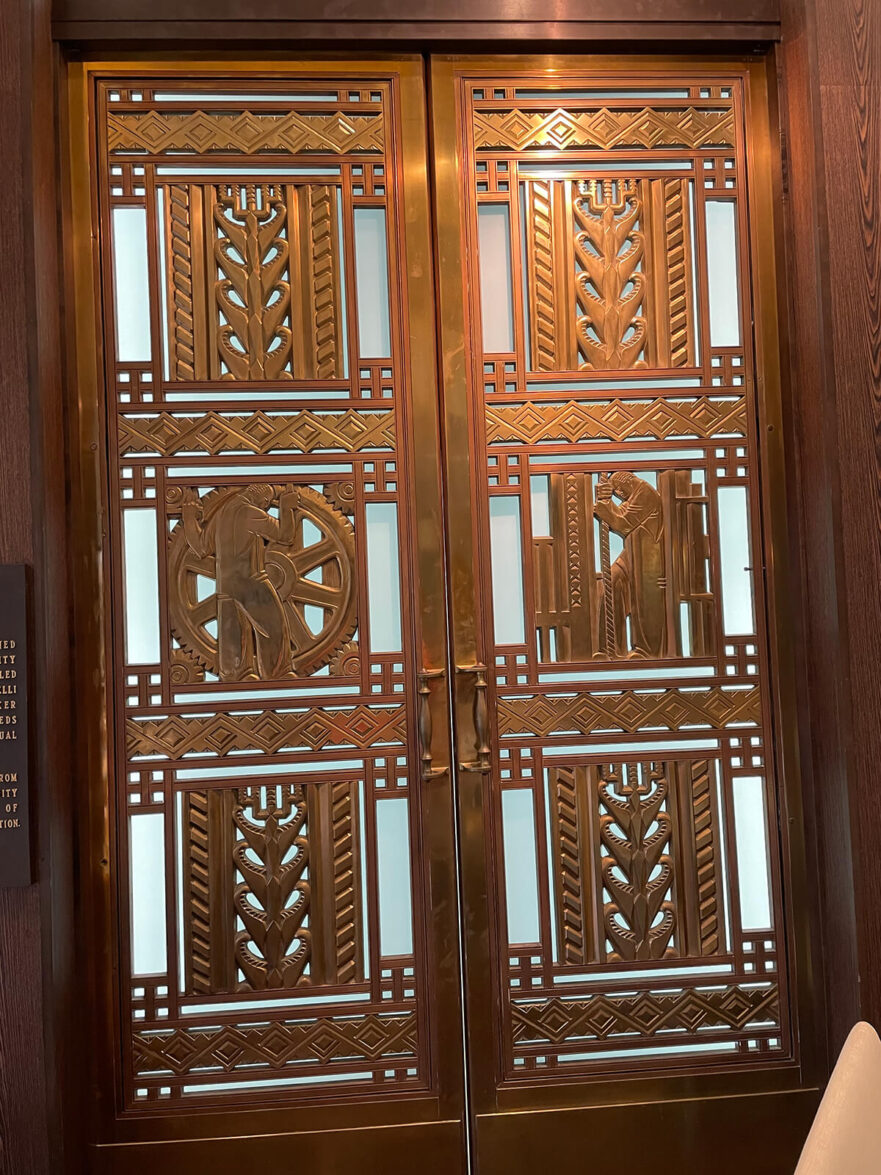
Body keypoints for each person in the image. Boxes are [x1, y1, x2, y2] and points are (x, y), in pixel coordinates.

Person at [181, 484, 298, 680]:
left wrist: (189, 518)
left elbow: (200, 548)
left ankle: (238, 675)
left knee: (234, 636)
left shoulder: (221, 514)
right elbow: (285, 535)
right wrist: (286, 508)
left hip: (226, 586)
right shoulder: (249, 512)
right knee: (274, 627)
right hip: (250, 582)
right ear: (258, 497)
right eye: (267, 502)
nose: (265, 506)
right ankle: (278, 674)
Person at [594, 471, 666, 658]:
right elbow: (616, 516)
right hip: (631, 553)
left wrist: (606, 505)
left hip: (648, 557)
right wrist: (605, 503)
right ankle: (610, 648)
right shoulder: (634, 495)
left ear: (624, 485)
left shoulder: (645, 493)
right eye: (616, 494)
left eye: (618, 492)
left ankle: (646, 650)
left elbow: (623, 523)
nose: (619, 495)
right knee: (610, 582)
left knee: (644, 603)